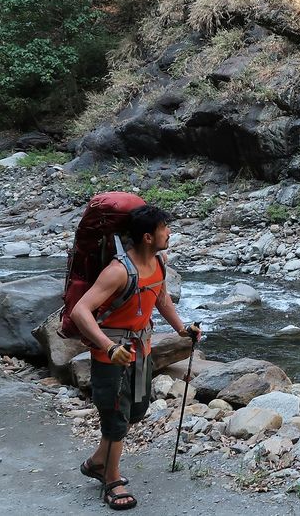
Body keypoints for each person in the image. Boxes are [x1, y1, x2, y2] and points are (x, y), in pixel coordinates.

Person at [70, 204, 201, 510]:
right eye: (164, 228)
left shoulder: (159, 262)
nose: (169, 233)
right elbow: (80, 312)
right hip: (112, 356)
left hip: (141, 352)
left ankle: (98, 461)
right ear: (146, 237)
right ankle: (112, 480)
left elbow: (161, 298)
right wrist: (107, 347)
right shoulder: (117, 271)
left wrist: (182, 329)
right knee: (116, 415)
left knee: (136, 411)